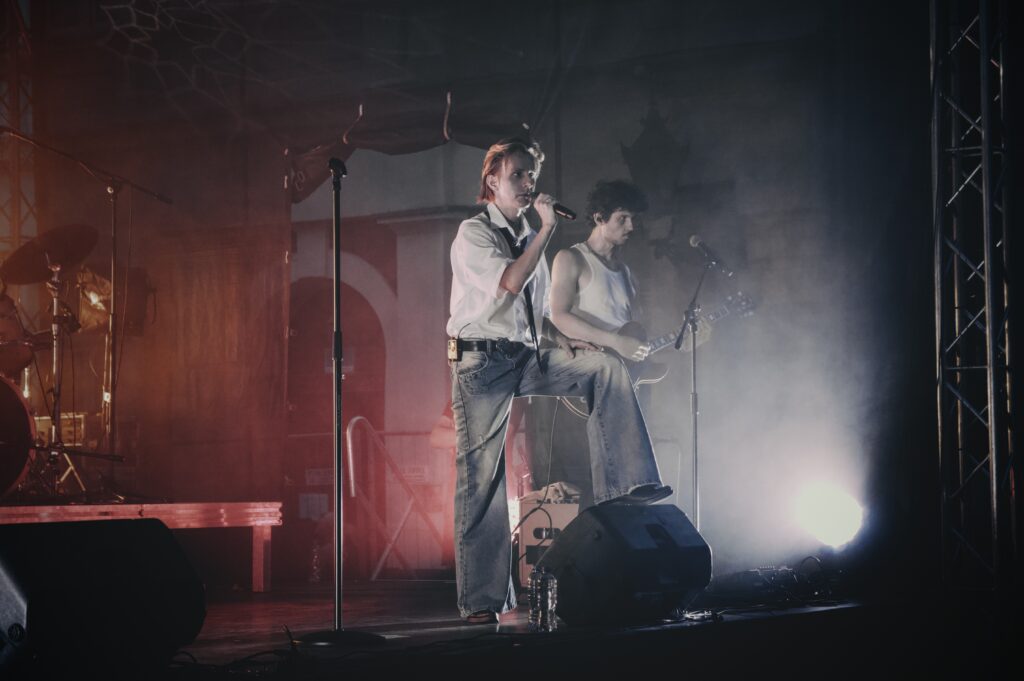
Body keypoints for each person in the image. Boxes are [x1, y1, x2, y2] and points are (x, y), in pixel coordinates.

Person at [446, 139, 670, 625]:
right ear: (492, 182)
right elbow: (509, 283)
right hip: (481, 362)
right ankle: (483, 600)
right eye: (518, 175)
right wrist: (547, 229)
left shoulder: (529, 233)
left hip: (525, 353)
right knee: (483, 478)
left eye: (532, 175)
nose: (528, 183)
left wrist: (561, 338)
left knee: (605, 367)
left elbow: (533, 309)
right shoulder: (475, 233)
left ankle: (626, 485)